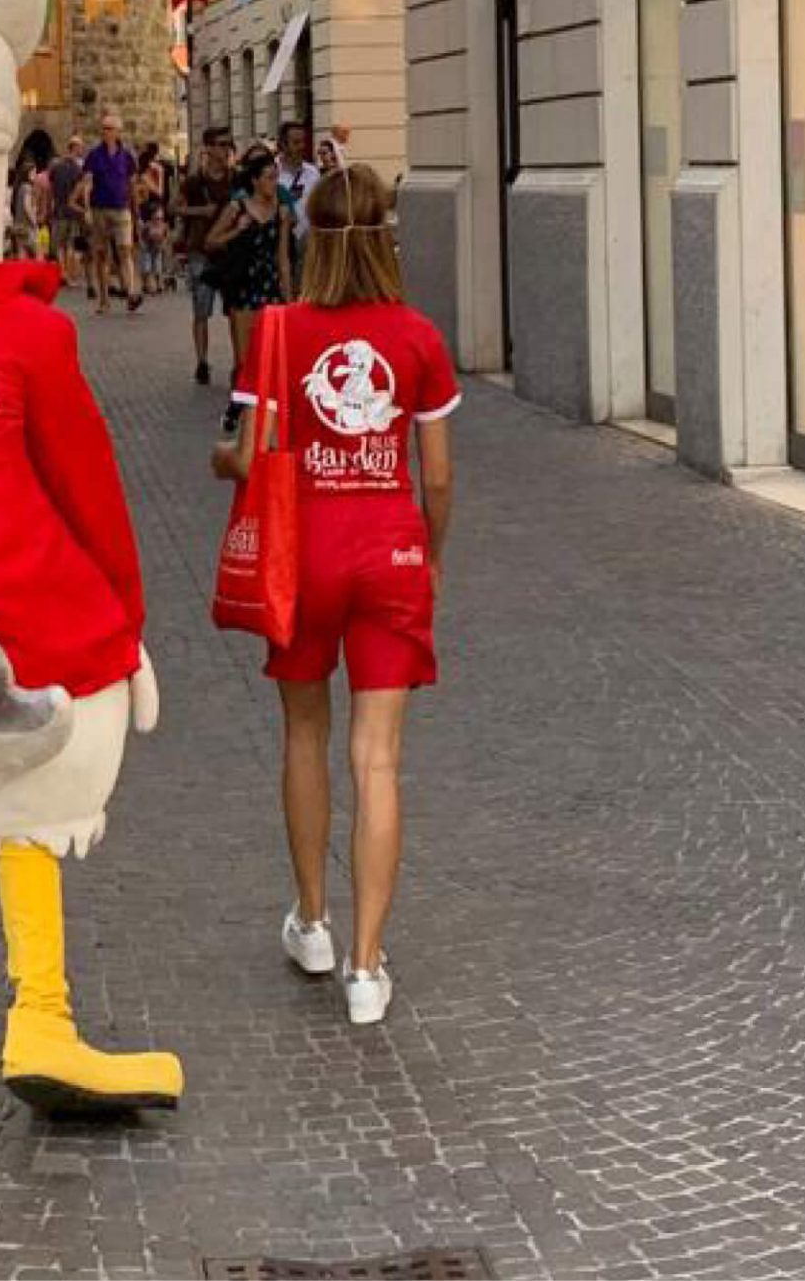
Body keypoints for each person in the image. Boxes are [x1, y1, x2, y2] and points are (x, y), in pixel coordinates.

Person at [214, 161, 459, 1028]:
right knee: (379, 760)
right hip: (387, 549)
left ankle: (312, 921)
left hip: (303, 554)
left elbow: (246, 456)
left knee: (305, 733)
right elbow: (435, 478)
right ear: (388, 237)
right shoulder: (418, 339)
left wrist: (221, 458)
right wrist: (430, 556)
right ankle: (365, 967)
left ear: (309, 235)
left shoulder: (277, 332)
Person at [204, 146, 295, 397]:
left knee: (275, 357)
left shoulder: (282, 211)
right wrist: (237, 230)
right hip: (243, 284)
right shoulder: (237, 207)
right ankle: (244, 408)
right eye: (268, 178)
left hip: (271, 286)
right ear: (255, 181)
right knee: (245, 360)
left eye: (276, 177)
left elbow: (283, 257)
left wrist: (289, 298)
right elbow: (211, 241)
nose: (274, 183)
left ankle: (269, 409)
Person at [178, 128, 237, 385]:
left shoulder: (236, 179)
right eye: (222, 145)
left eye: (229, 145)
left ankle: (239, 362)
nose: (226, 150)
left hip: (230, 252)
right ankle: (202, 362)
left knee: (235, 309)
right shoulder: (194, 181)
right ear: (209, 148)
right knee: (201, 309)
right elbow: (173, 207)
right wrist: (200, 209)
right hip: (200, 250)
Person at [80, 113, 142, 315]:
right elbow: (88, 182)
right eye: (103, 128)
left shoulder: (127, 156)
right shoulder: (94, 155)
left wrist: (136, 212)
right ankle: (104, 299)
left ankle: (131, 292)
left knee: (125, 249)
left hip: (121, 208)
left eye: (109, 128)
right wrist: (87, 209)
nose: (105, 132)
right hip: (99, 209)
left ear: (117, 131)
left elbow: (132, 185)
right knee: (101, 254)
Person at [47, 135, 88, 291]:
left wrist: (48, 208)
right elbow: (82, 192)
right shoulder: (78, 170)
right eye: (80, 148)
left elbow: (50, 190)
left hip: (58, 211)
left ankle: (61, 274)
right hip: (73, 212)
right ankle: (70, 277)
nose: (82, 150)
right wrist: (84, 210)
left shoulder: (56, 167)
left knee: (58, 246)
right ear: (75, 148)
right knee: (70, 245)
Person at [134, 142, 171, 294]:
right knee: (157, 247)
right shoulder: (160, 168)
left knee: (147, 248)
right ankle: (158, 281)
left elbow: (157, 191)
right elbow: (162, 192)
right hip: (157, 210)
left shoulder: (144, 172)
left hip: (147, 210)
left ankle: (150, 282)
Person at [276, 121, 315, 240]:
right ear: (283, 145)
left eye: (304, 142)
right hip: (279, 241)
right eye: (296, 143)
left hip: (308, 242)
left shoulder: (313, 172)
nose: (302, 146)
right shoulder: (272, 173)